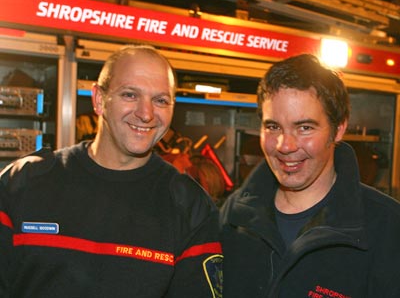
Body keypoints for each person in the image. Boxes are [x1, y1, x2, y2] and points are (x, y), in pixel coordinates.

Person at [0, 45, 223, 298]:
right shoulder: (23, 183)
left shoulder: (191, 207)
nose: (146, 113)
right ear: (98, 100)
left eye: (160, 100)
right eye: (130, 95)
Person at [220, 54, 400, 298]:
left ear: (338, 129)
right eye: (273, 127)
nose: (285, 145)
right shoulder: (234, 216)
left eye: (304, 127)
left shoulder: (387, 227)